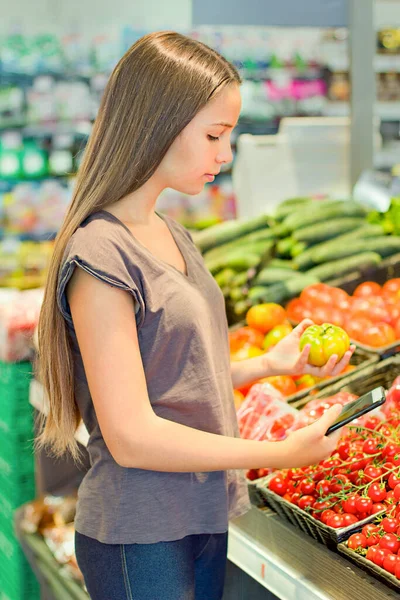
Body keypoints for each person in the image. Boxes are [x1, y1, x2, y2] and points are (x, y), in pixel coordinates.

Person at [37, 31, 354, 600]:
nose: (225, 155)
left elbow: (166, 379)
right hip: (141, 533)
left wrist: (265, 364)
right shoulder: (100, 256)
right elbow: (132, 434)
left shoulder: (172, 234)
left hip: (199, 514)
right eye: (214, 135)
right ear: (158, 121)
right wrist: (279, 454)